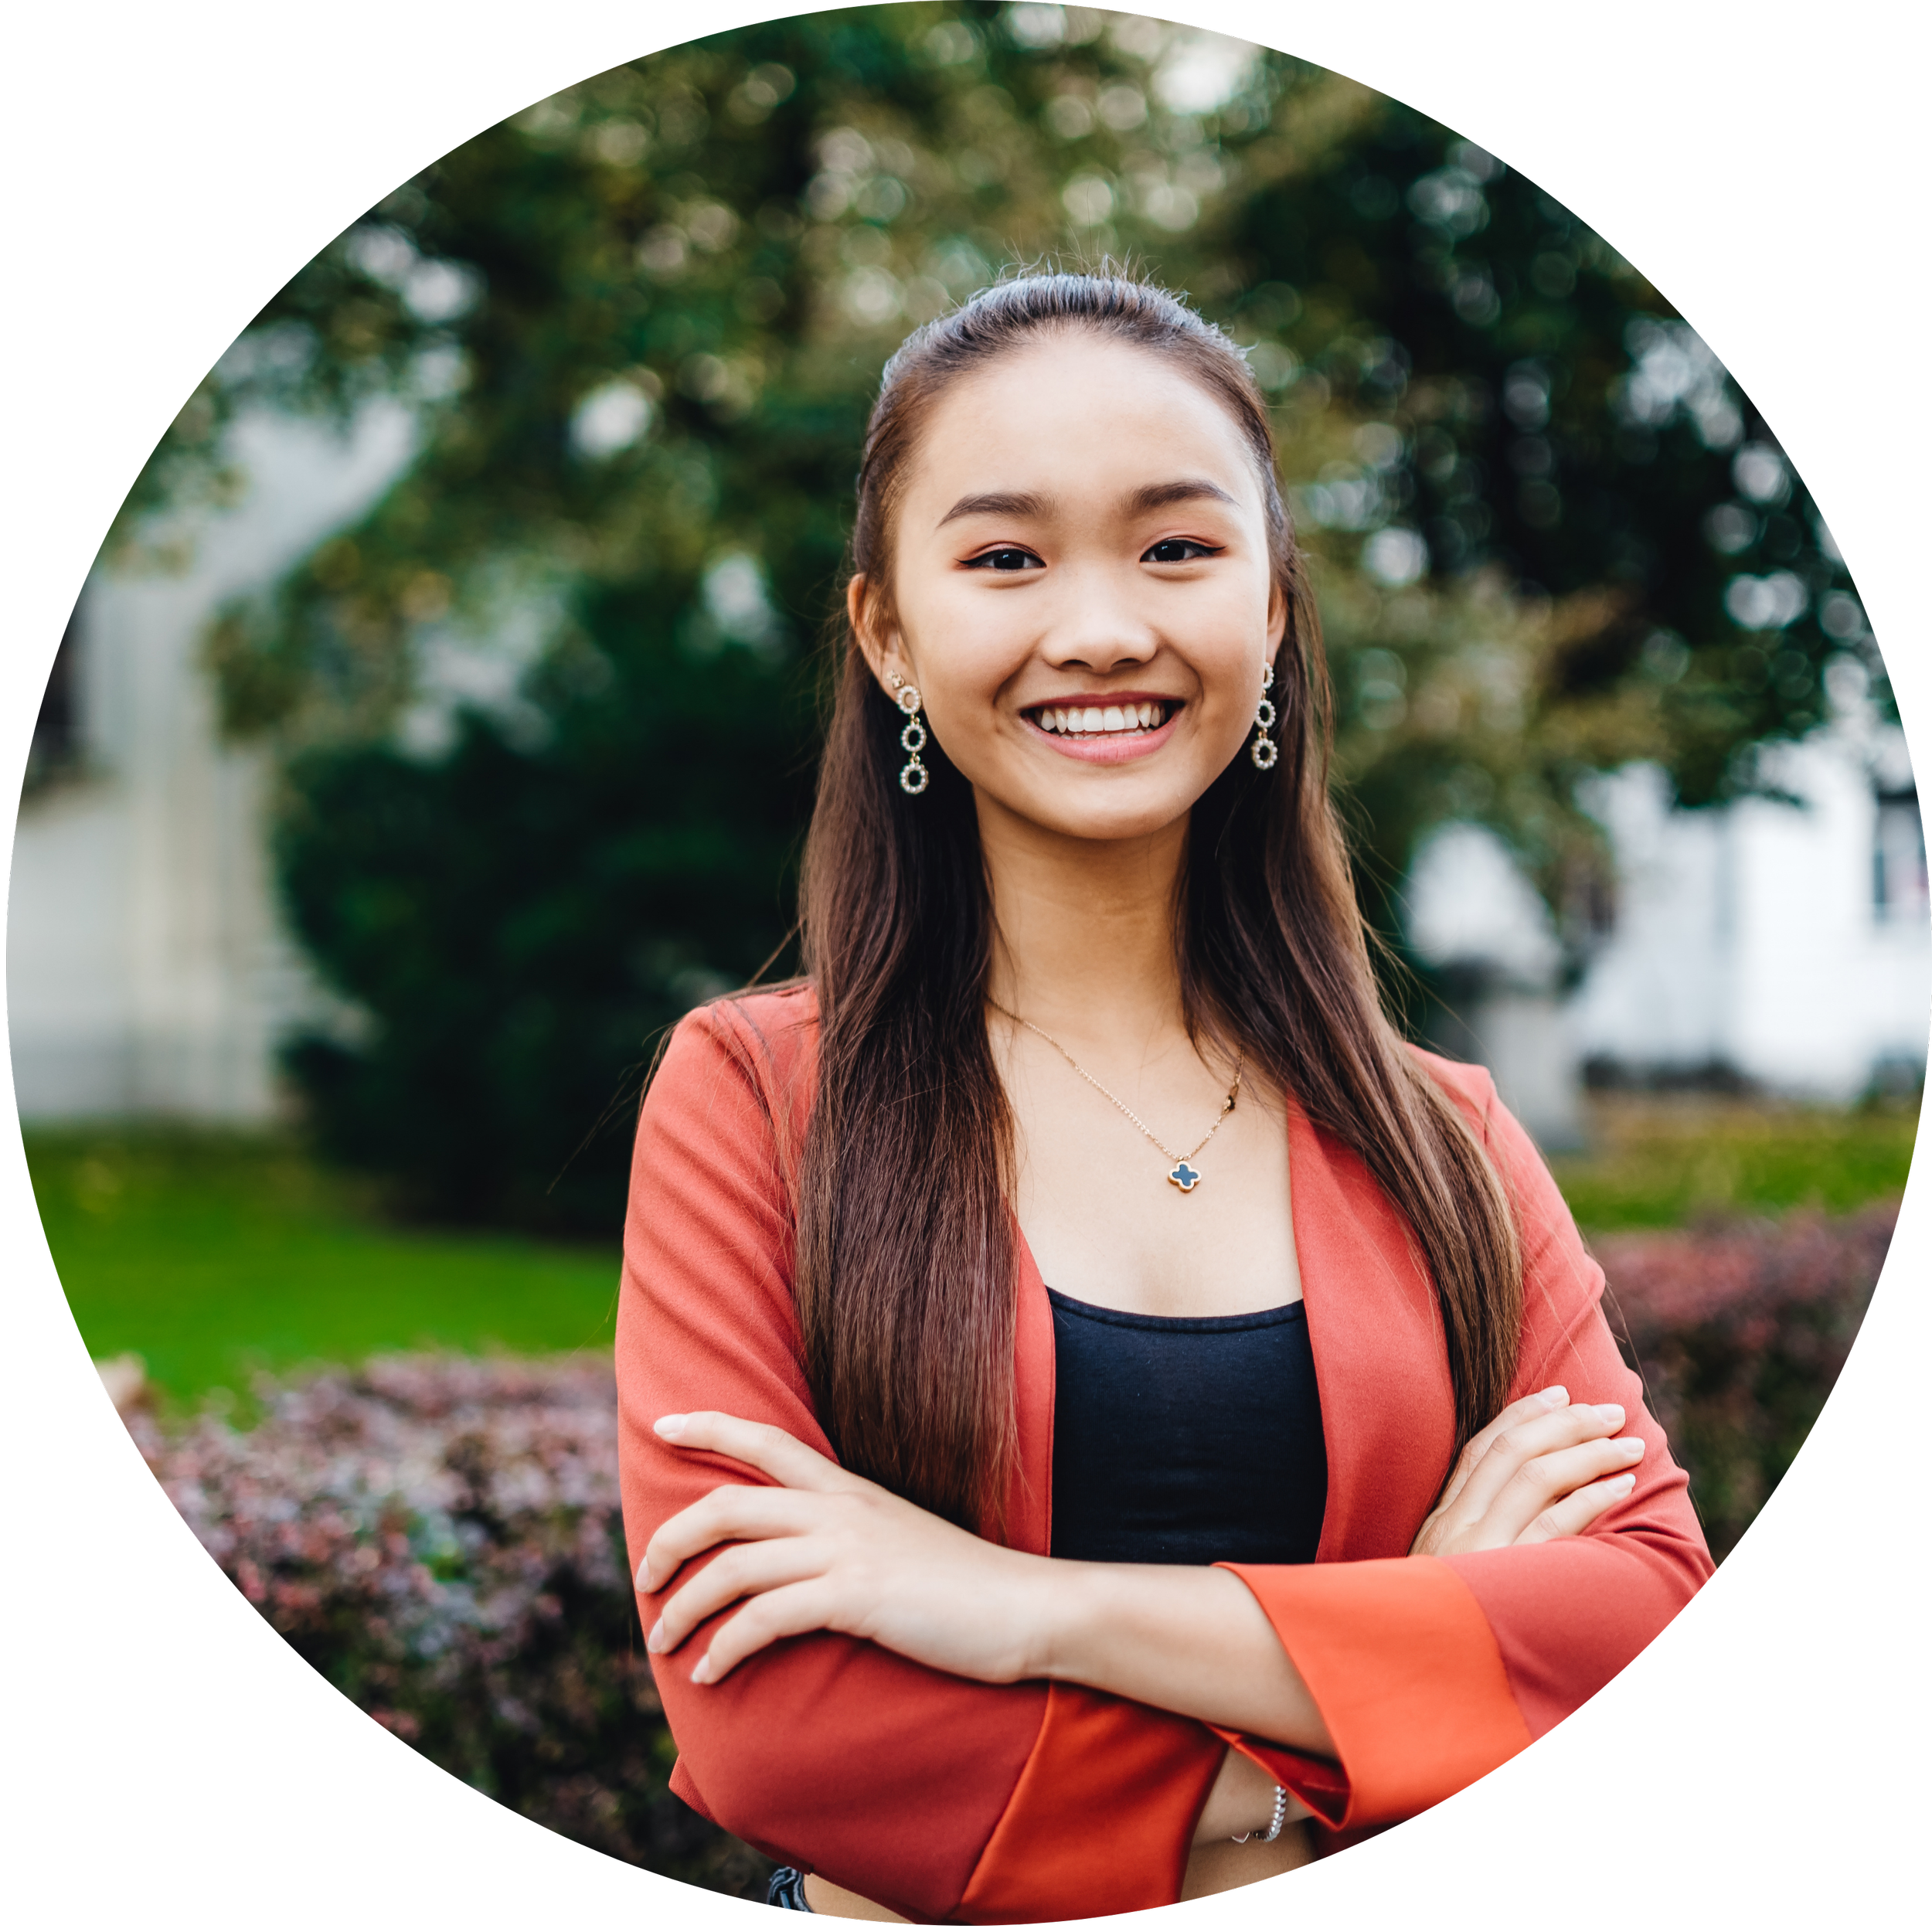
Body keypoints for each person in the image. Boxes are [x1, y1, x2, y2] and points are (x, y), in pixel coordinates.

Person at [616, 273, 1713, 1922]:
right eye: (1003, 556)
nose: (1101, 625)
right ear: (889, 636)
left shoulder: (1445, 1140)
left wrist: (1018, 1605)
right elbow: (781, 1733)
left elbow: (1634, 1606)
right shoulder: (757, 1099)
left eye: (1174, 546)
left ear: (1270, 611)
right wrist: (1394, 1680)